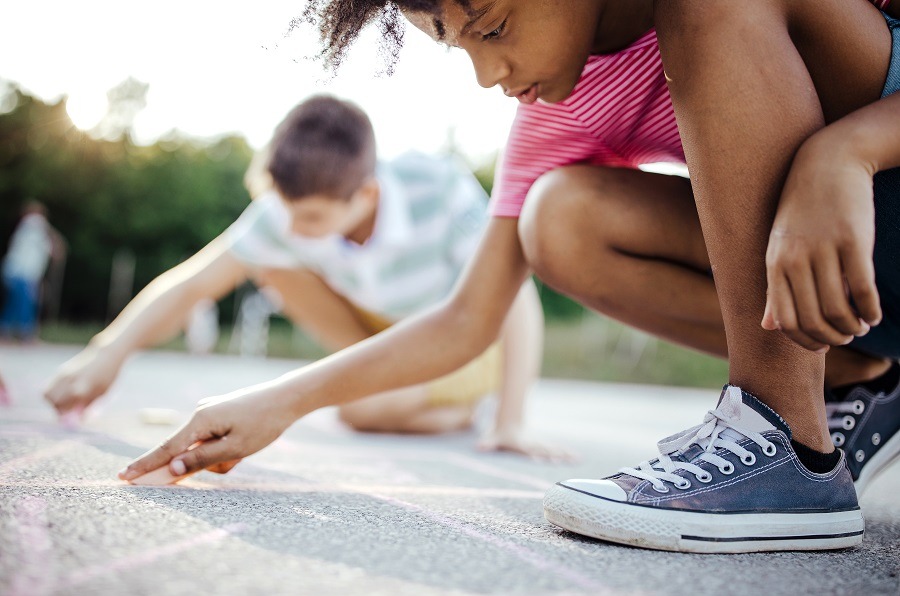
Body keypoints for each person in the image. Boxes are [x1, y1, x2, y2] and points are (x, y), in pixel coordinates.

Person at [119, 0, 900, 553]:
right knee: (559, 220)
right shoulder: (554, 113)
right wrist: (279, 400)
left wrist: (847, 150)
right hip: (868, 292)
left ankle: (786, 445)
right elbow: (467, 320)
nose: (487, 73)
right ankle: (855, 374)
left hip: (875, 188)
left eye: (493, 27)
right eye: (457, 45)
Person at [45, 95, 562, 460]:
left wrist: (510, 420)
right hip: (377, 324)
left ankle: (458, 409)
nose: (293, 228)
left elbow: (515, 294)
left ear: (366, 196)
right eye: (287, 212)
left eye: (311, 219)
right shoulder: (288, 212)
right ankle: (388, 393)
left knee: (362, 411)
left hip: (458, 333)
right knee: (268, 263)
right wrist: (107, 352)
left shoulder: (440, 188)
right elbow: (195, 281)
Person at [1, 200, 63, 341]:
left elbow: (51, 250)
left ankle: (6, 332)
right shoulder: (33, 223)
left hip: (17, 272)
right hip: (22, 273)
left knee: (15, 303)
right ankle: (26, 334)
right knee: (25, 303)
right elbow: (55, 246)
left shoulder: (31, 232)